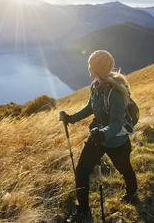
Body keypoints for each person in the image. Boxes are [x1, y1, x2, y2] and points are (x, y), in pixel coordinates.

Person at [59, 50, 138, 223]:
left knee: (124, 168)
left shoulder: (115, 92)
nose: (89, 69)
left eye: (91, 66)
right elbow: (90, 108)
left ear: (94, 68)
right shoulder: (95, 85)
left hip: (116, 140)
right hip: (98, 137)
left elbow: (117, 123)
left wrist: (104, 133)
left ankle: (132, 192)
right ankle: (83, 210)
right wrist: (70, 118)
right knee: (81, 170)